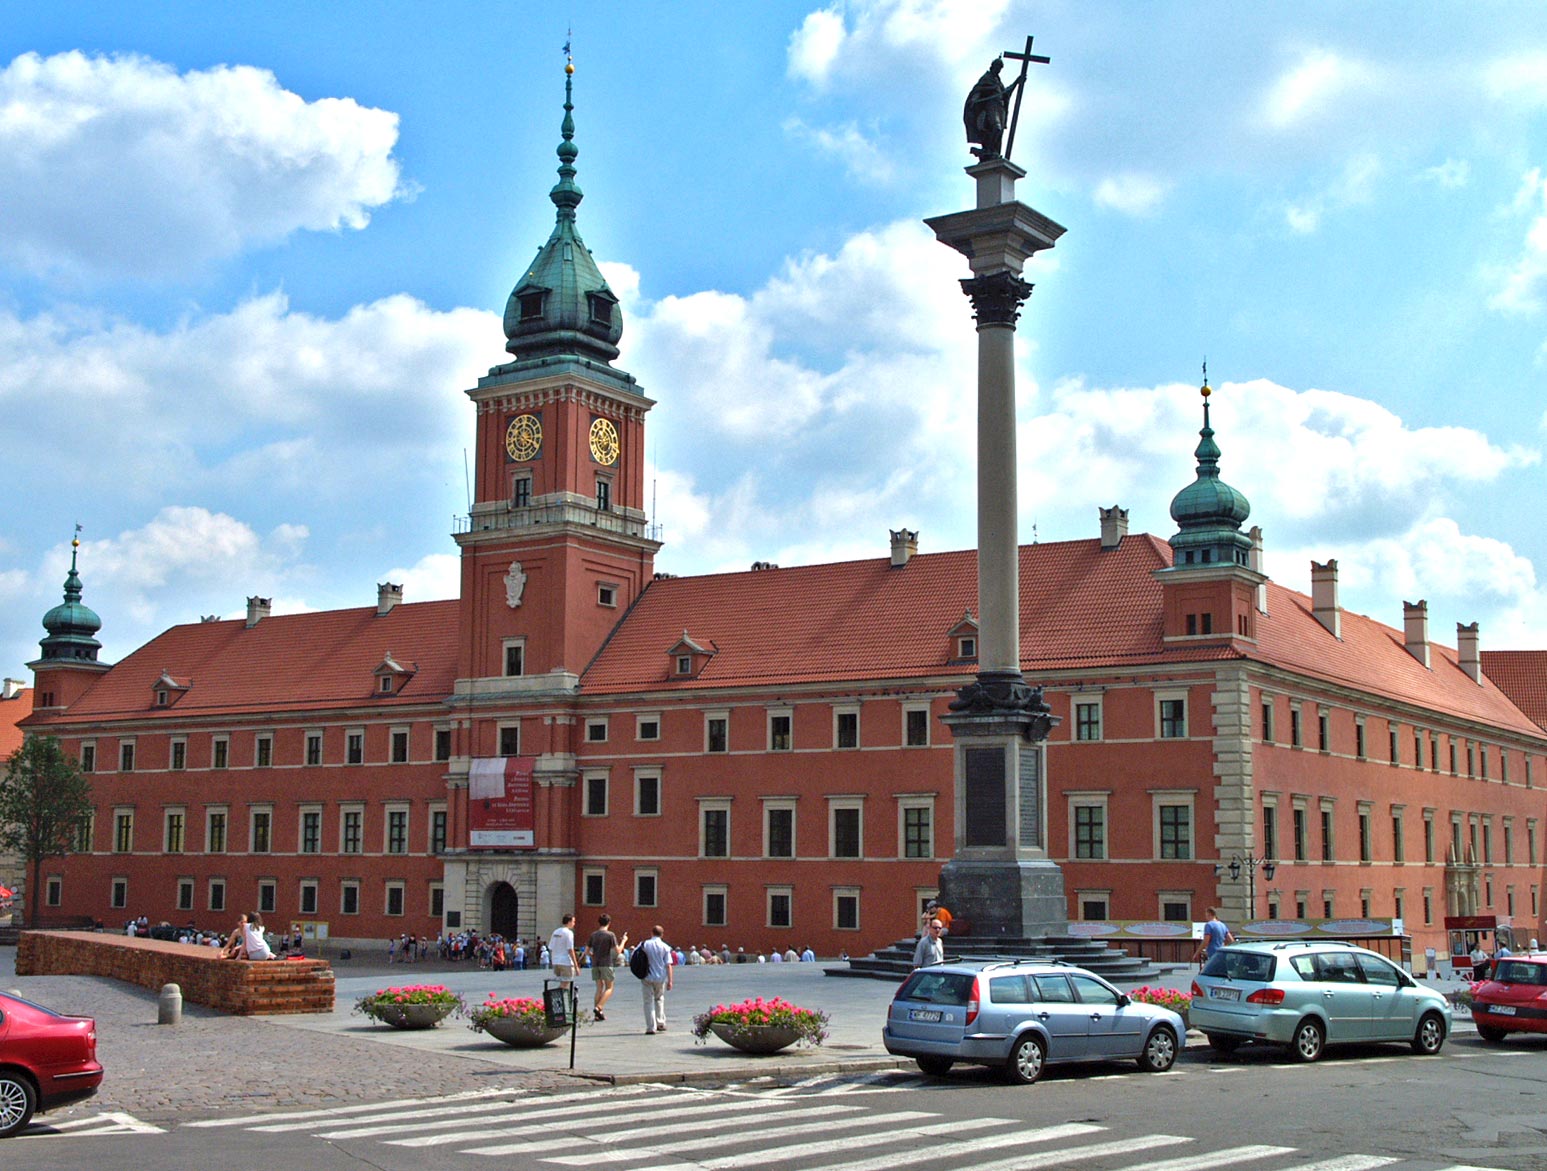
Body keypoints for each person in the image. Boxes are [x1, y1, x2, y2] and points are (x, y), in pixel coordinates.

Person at [963, 57, 1022, 159]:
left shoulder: (998, 82)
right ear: (992, 66)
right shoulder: (987, 78)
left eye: (1000, 68)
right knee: (996, 128)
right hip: (991, 106)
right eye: (997, 67)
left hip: (1000, 108)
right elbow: (978, 90)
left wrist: (1016, 82)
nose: (998, 70)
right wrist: (974, 99)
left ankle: (992, 151)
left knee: (999, 131)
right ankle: (988, 150)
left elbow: (1005, 93)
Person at [588, 913, 627, 1021]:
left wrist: (593, 956)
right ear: (609, 923)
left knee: (599, 988)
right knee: (609, 987)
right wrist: (624, 940)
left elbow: (587, 951)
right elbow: (618, 951)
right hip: (606, 963)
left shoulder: (593, 935)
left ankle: (598, 1015)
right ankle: (599, 1007)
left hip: (595, 963)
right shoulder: (610, 935)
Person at [640, 924, 673, 1034]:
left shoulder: (644, 944)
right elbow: (668, 965)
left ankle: (651, 1027)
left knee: (648, 1001)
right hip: (660, 977)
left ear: (651, 933)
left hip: (646, 976)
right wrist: (670, 981)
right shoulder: (665, 947)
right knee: (659, 999)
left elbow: (635, 956)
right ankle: (661, 1023)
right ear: (662, 935)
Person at [549, 913, 580, 989]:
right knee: (565, 984)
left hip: (556, 961)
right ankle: (555, 997)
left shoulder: (555, 932)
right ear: (569, 922)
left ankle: (558, 998)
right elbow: (570, 949)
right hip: (565, 962)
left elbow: (551, 947)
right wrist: (576, 966)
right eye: (573, 921)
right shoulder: (569, 933)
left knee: (563, 983)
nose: (574, 924)